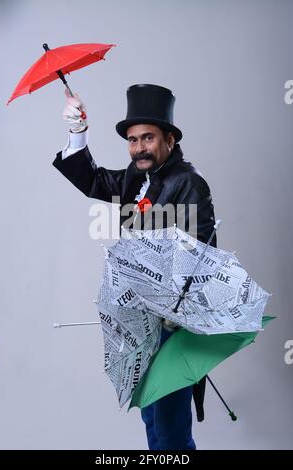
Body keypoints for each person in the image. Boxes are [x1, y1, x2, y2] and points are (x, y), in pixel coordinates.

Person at [53, 84, 216, 450]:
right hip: (139, 320)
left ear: (170, 140)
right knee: (151, 419)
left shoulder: (188, 182)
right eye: (132, 140)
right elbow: (95, 181)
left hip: (173, 327)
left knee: (171, 430)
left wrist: (173, 314)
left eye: (148, 138)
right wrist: (77, 133)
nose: (139, 147)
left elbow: (203, 254)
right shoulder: (137, 177)